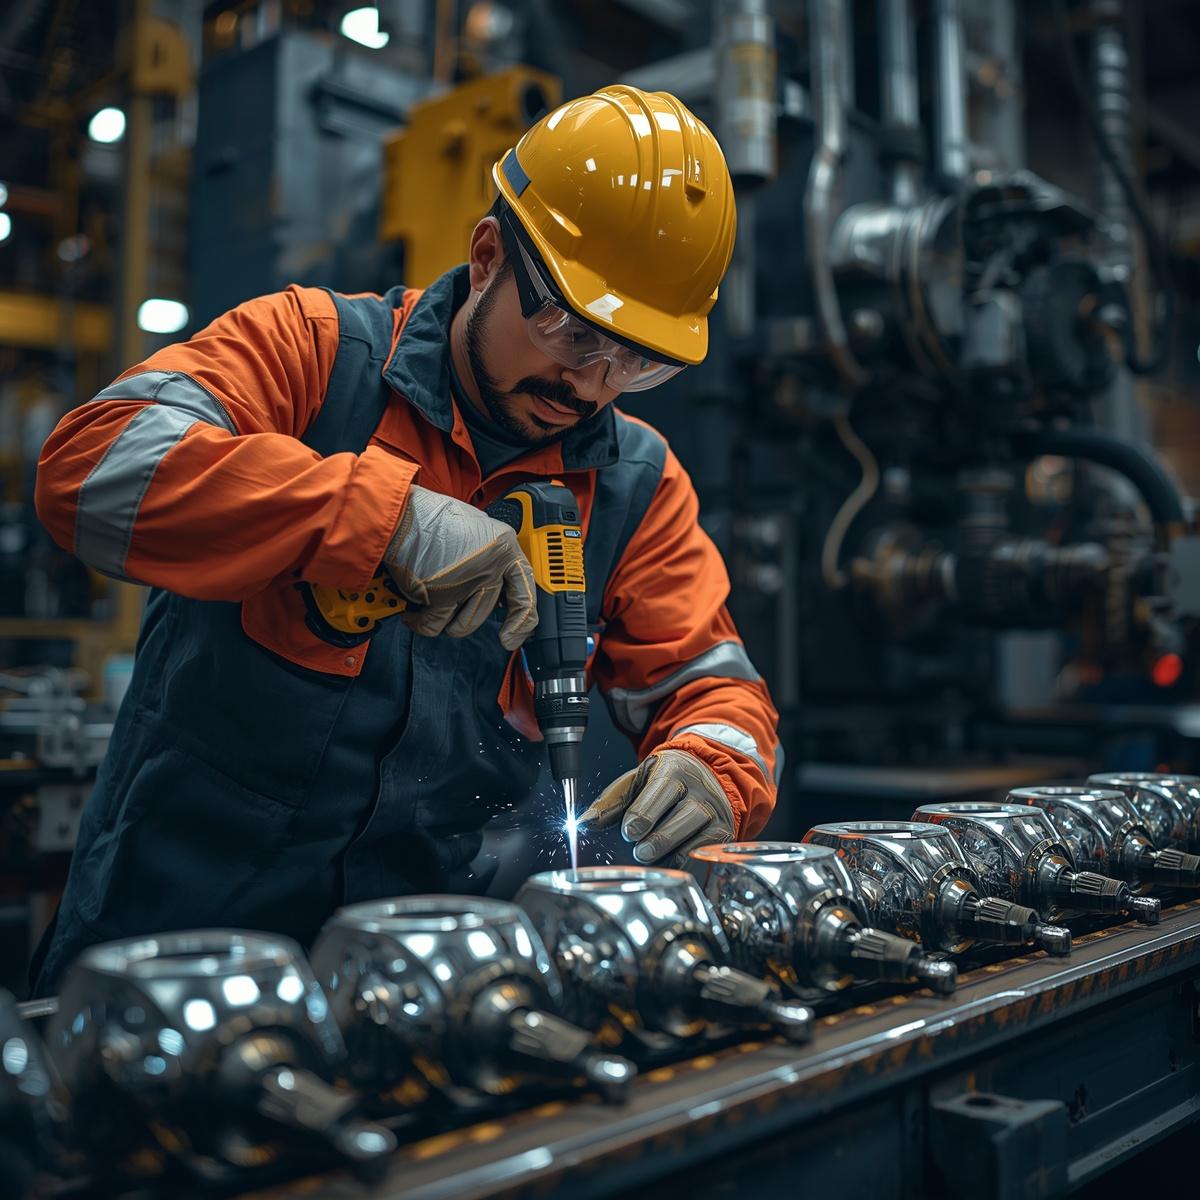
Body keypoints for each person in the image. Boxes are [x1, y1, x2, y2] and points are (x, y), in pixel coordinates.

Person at [29, 84, 780, 994]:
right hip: (171, 946)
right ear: (490, 252)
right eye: (571, 331)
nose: (591, 383)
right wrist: (364, 519)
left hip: (429, 970)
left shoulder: (636, 484)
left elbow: (714, 688)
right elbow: (89, 466)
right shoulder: (311, 355)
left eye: (638, 361)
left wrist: (713, 768)